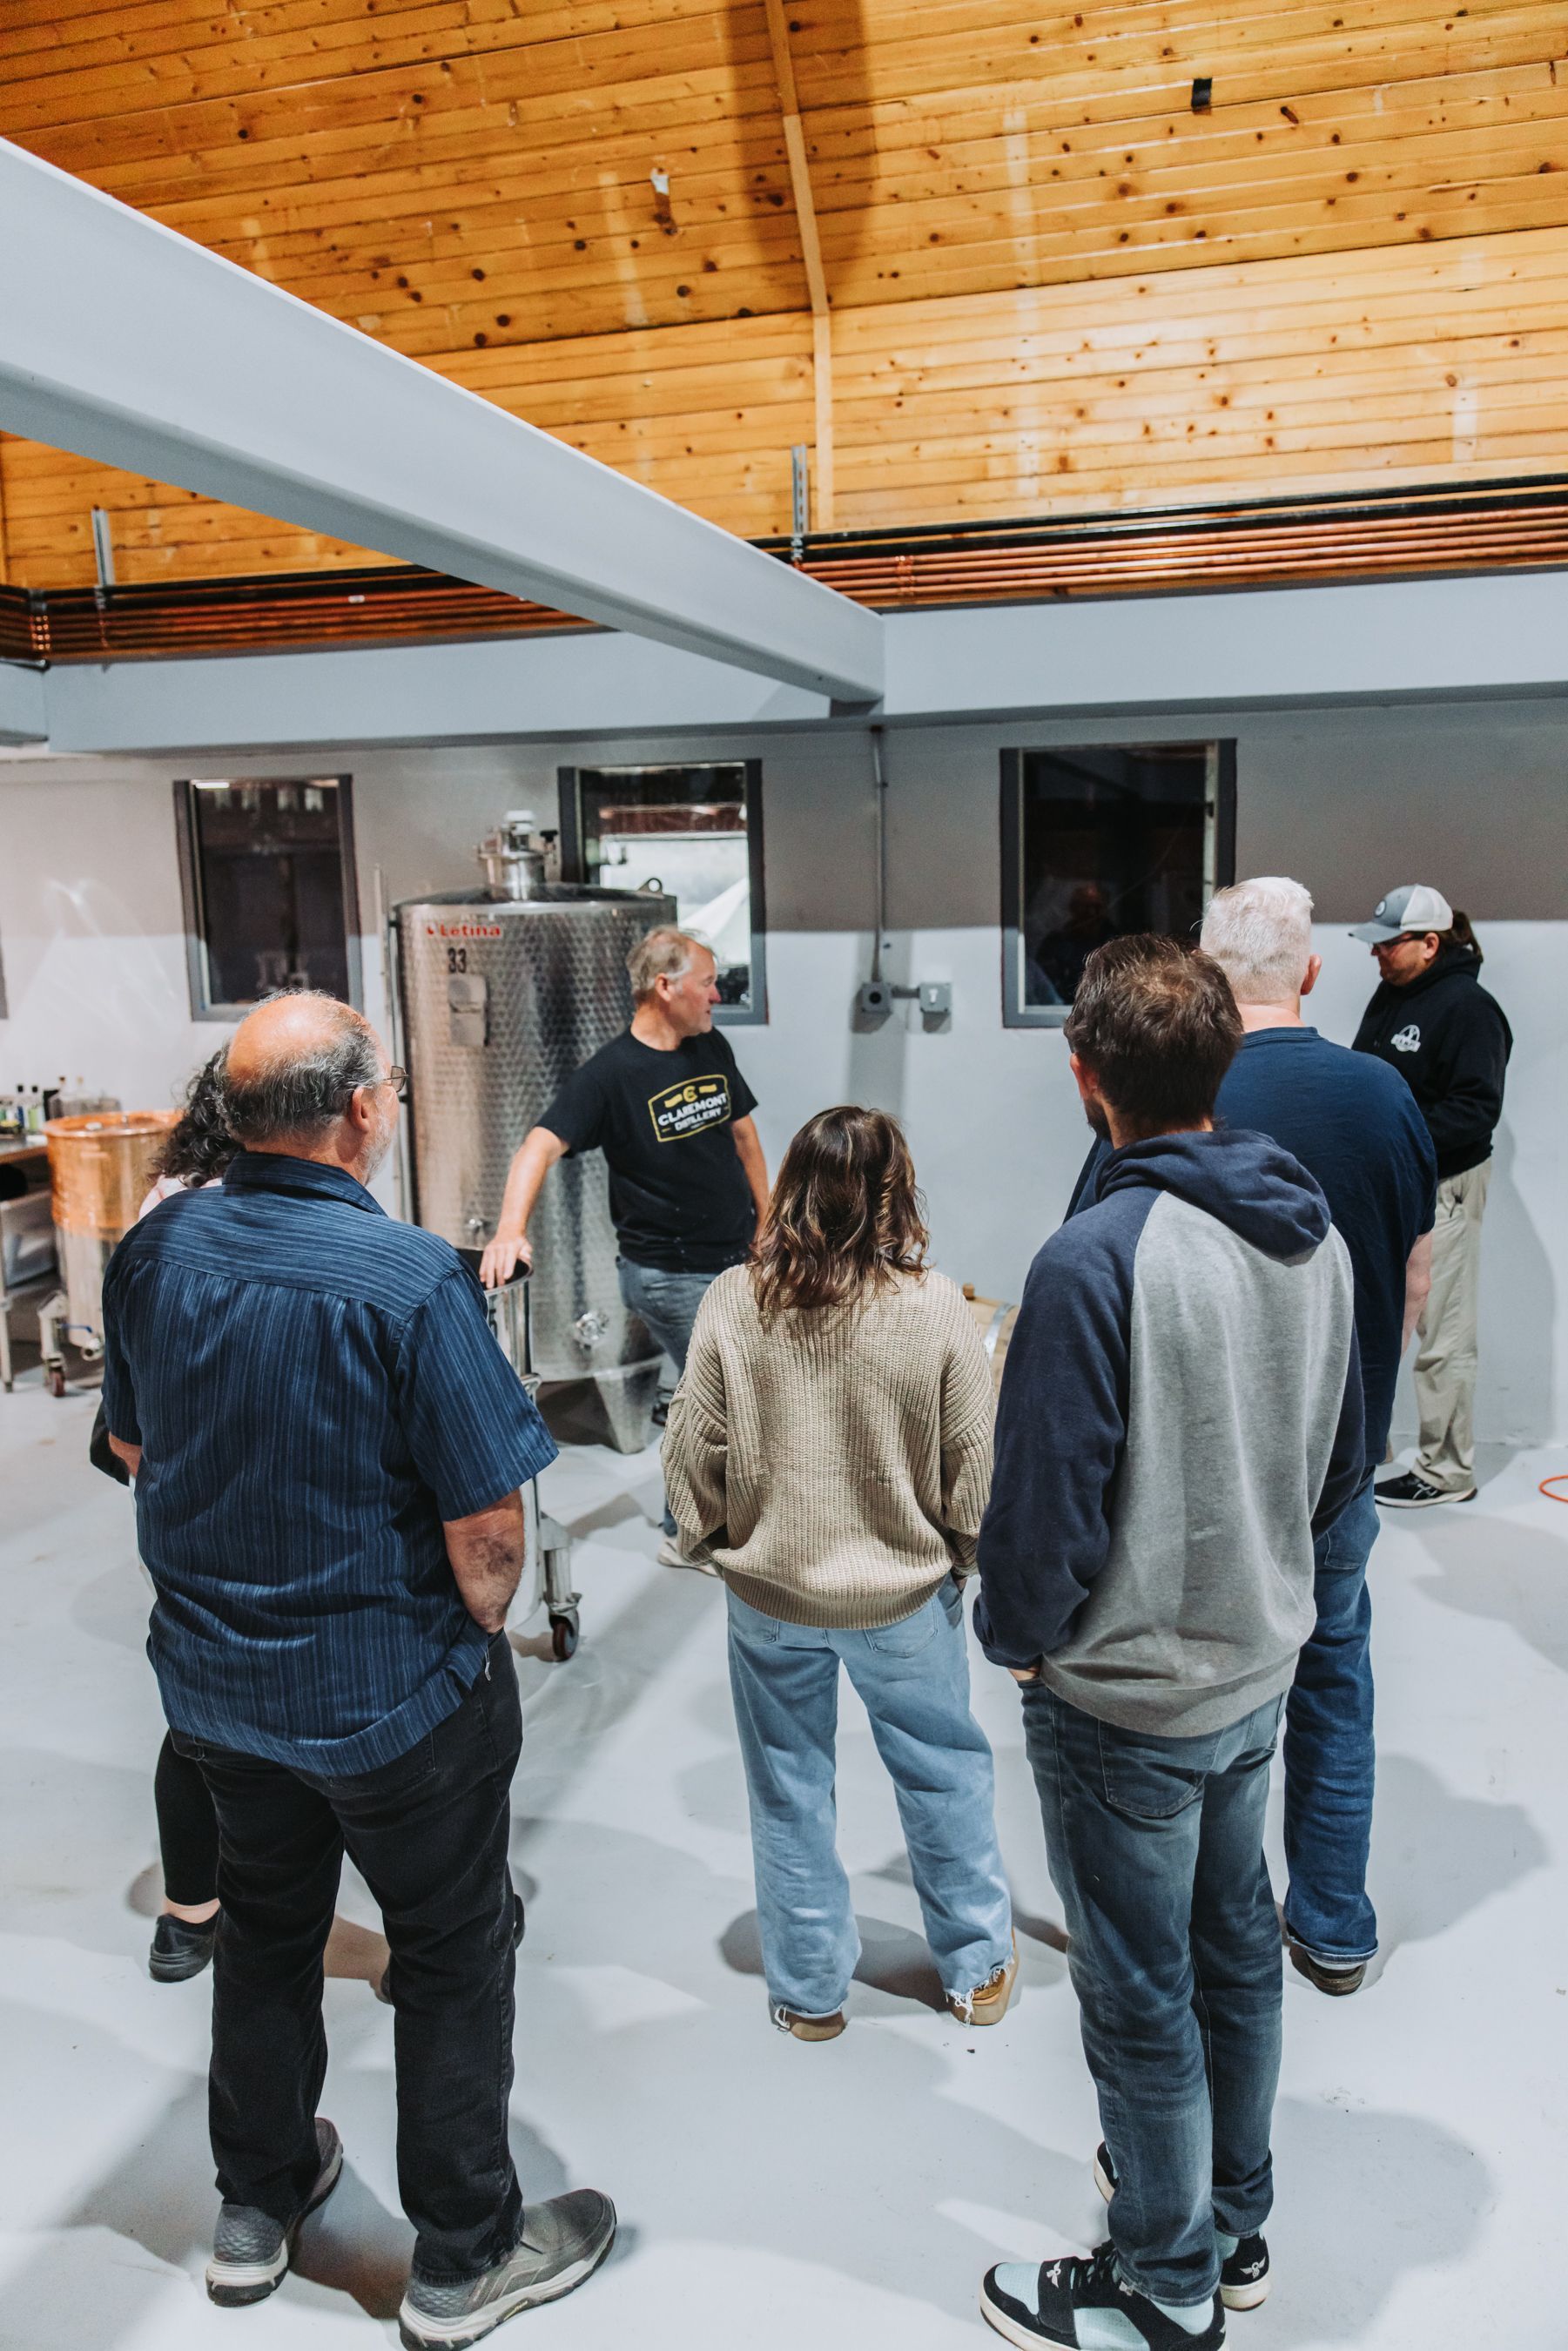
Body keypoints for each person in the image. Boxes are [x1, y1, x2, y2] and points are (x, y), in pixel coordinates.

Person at [100, 991, 615, 2346]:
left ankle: (256, 2209)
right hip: (394, 1704)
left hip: (215, 1697)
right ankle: (461, 2258)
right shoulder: (406, 1280)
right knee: (451, 1951)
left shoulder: (153, 1256)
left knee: (266, 1933)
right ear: (364, 1112)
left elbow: (138, 1452)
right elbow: (490, 1527)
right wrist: (477, 1635)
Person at [975, 938, 1363, 2351]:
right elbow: (1342, 1462)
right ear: (1225, 1068)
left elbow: (1046, 1503)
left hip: (1125, 1700)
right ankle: (1235, 2223)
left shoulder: (1095, 1258)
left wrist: (1021, 1641)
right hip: (1257, 1673)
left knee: (1139, 1996)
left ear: (1085, 1082)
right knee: (1237, 1955)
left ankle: (1165, 2282)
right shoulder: (1306, 1227)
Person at [663, 1106, 1015, 2041]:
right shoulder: (937, 1305)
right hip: (903, 1597)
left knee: (787, 1784)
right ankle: (975, 1972)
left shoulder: (735, 1300)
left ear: (790, 1187)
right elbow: (972, 1466)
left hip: (771, 1595)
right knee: (942, 1772)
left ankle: (812, 1991)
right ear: (895, 1190)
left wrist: (709, 1542)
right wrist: (967, 1560)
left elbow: (692, 1449)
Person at [1199, 879, 1437, 1997]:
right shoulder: (1382, 1094)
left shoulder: (1176, 1092)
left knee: (1210, 1697)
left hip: (1208, 1466)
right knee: (1333, 1676)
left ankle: (1220, 1929)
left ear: (1203, 979)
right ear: (1307, 972)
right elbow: (1414, 1277)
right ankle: (1332, 1925)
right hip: (1342, 1455)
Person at [479, 926, 770, 1561]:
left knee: (711, 1396)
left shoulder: (709, 1046)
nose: (716, 996)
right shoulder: (609, 1075)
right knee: (722, 1395)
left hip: (733, 1258)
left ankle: (700, 1521)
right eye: (705, 983)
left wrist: (766, 1221)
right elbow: (538, 1145)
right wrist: (509, 1228)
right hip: (668, 1272)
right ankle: (686, 1536)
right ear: (665, 987)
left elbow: (744, 1137)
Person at [89, 1048, 234, 1983]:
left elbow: (128, 1437)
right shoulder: (208, 1209)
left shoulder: (170, 1197)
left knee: (198, 1713)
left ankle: (190, 1913)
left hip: (175, 1490)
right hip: (221, 1485)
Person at [1349, 885, 1512, 1508]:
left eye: (1389, 944)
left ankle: (1447, 1472)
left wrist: (1402, 1141)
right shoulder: (1392, 995)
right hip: (1391, 1184)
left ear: (1429, 942)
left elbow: (1475, 1110)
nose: (1378, 955)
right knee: (1379, 1320)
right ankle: (1371, 1445)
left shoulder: (1469, 1009)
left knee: (1441, 1332)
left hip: (1443, 1186)